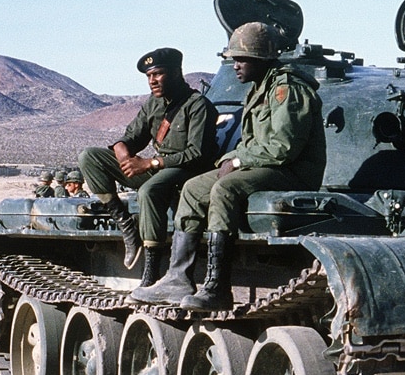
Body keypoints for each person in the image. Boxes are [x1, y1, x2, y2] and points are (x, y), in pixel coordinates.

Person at [132, 22, 326, 310]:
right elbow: (253, 142)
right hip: (267, 166)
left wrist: (237, 160)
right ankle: (178, 278)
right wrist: (230, 158)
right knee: (194, 188)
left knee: (225, 188)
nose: (235, 65)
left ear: (260, 58)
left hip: (293, 172)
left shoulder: (287, 90)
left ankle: (217, 287)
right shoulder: (261, 88)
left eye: (241, 58)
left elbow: (283, 148)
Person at [78, 47, 218, 287]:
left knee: (149, 191)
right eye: (149, 76)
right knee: (89, 156)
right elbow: (133, 136)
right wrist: (122, 148)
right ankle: (126, 225)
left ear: (176, 72)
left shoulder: (197, 105)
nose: (152, 81)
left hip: (186, 172)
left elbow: (198, 154)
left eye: (158, 74)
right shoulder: (153, 105)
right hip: (158, 169)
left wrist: (151, 163)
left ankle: (151, 271)